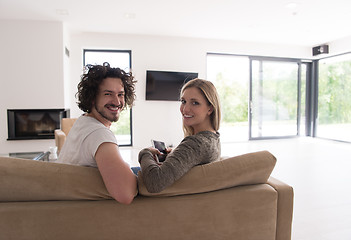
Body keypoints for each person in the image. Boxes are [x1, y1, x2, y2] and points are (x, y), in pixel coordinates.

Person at [57, 62, 137, 204]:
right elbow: (126, 194)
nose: (117, 101)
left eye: (120, 94)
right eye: (108, 94)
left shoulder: (83, 122)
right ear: (93, 97)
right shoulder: (99, 134)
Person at [138, 78, 221, 193]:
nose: (185, 109)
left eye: (195, 103)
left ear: (210, 108)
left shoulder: (195, 144)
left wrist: (145, 153)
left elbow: (155, 183)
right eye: (183, 101)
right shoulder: (214, 138)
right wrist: (176, 154)